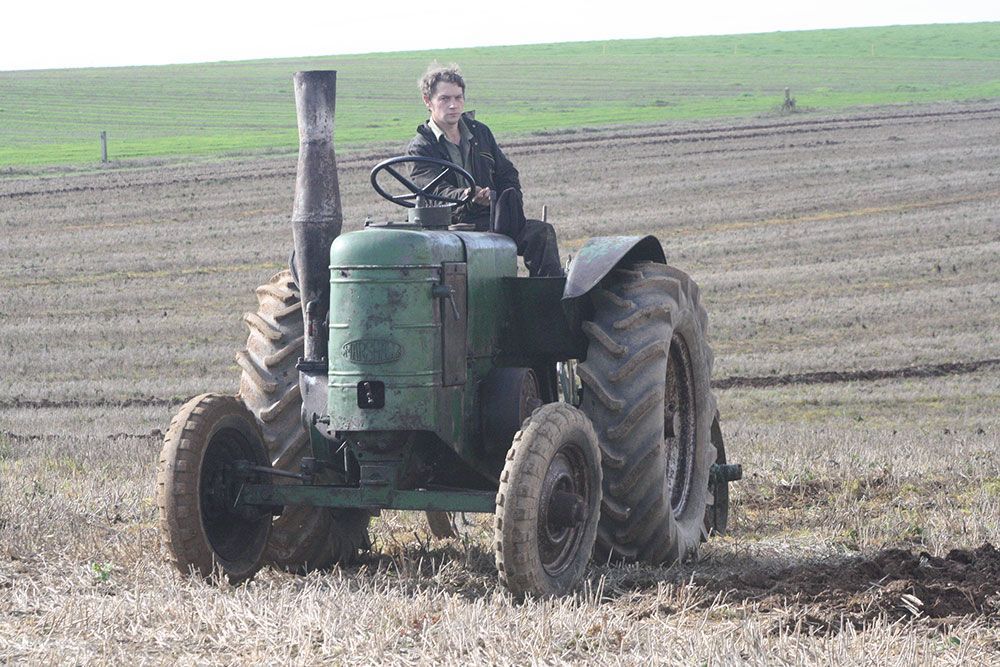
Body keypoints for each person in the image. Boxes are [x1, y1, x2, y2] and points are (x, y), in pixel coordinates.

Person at [406, 64, 563, 277]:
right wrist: (467, 195)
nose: (453, 105)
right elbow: (433, 192)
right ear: (428, 101)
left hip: (490, 219)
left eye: (458, 98)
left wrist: (505, 202)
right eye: (444, 99)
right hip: (447, 226)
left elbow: (507, 174)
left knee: (541, 234)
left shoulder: (480, 133)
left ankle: (546, 302)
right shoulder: (422, 146)